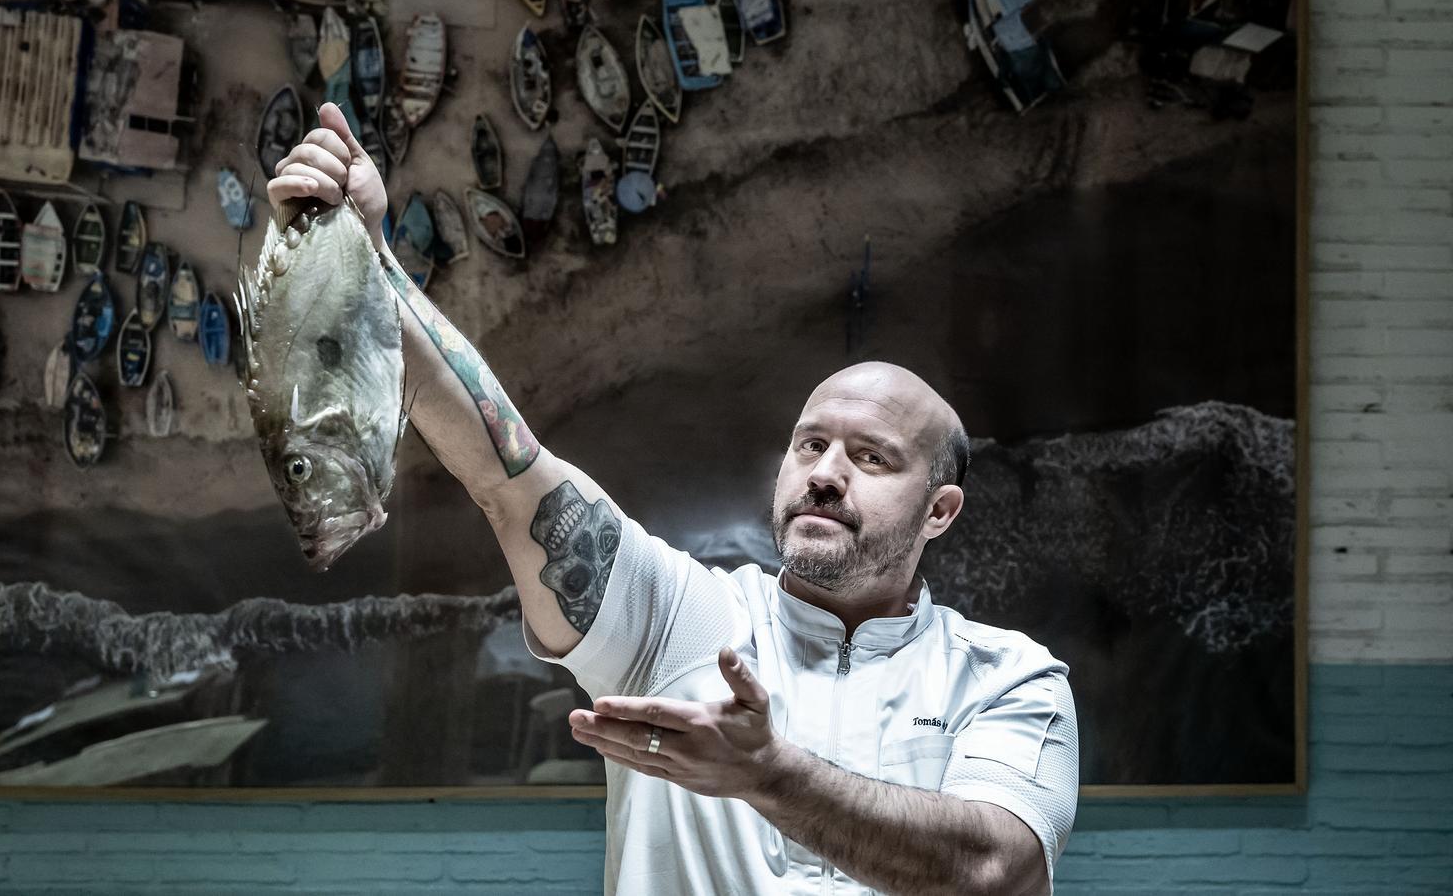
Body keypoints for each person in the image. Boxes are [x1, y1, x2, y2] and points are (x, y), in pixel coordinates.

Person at [270, 104, 1079, 896]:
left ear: (940, 511)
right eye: (812, 444)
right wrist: (370, 256)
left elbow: (994, 872)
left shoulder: (1006, 678)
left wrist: (767, 775)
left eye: (871, 457)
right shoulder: (682, 620)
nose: (827, 472)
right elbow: (506, 472)